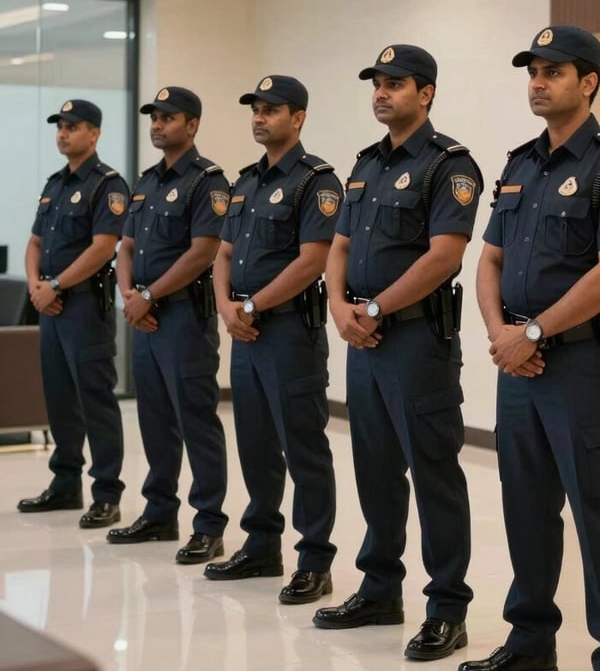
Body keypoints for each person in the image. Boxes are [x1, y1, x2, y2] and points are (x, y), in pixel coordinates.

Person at [468, 25, 600, 671]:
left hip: (580, 368)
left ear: (589, 81)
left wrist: (534, 333)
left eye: (553, 72)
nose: (538, 83)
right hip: (517, 367)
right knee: (526, 507)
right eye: (533, 72)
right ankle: (530, 645)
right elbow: (486, 261)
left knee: (599, 511)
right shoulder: (519, 164)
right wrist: (500, 336)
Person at [313, 44, 482, 661]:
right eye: (377, 84)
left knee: (433, 473)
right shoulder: (364, 165)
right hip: (364, 340)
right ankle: (380, 588)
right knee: (375, 470)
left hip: (414, 340)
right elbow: (338, 245)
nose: (382, 93)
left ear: (426, 93)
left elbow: (445, 255)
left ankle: (447, 608)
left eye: (396, 84)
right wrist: (339, 307)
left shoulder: (449, 164)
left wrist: (375, 309)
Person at [204, 75, 341, 605]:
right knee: (256, 443)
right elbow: (222, 253)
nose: (260, 118)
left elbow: (313, 260)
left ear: (298, 117)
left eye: (272, 110)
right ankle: (262, 544)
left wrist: (253, 305)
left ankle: (314, 559)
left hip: (288, 331)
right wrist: (225, 307)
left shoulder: (316, 180)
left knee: (302, 445)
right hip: (245, 331)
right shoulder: (245, 181)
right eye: (255, 110)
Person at [107, 86, 229, 565]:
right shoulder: (145, 182)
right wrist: (130, 297)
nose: (157, 125)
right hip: (145, 317)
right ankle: (159, 512)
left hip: (182, 317)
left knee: (194, 419)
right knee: (154, 416)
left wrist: (150, 296)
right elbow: (126, 248)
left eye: (168, 118)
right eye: (153, 118)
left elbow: (204, 252)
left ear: (192, 125)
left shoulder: (207, 181)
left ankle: (208, 524)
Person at [18, 100, 127, 528]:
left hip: (83, 306)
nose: (63, 133)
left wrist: (56, 286)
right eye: (60, 127)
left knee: (94, 399)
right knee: (58, 396)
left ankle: (106, 493)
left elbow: (103, 247)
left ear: (94, 133)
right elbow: (33, 243)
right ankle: (65, 484)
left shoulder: (107, 185)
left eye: (73, 126)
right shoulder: (54, 185)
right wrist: (36, 288)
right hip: (50, 305)